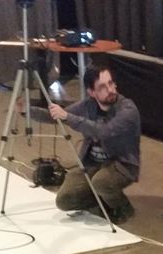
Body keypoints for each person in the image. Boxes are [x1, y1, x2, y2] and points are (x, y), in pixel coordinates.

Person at [23, 66, 141, 224]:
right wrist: (27, 111)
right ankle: (101, 199)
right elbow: (56, 117)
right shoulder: (87, 105)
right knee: (64, 201)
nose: (110, 89)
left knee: (101, 182)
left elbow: (104, 131)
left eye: (111, 83)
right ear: (92, 92)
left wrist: (68, 117)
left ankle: (123, 207)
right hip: (92, 164)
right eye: (102, 87)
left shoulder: (128, 109)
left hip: (121, 164)